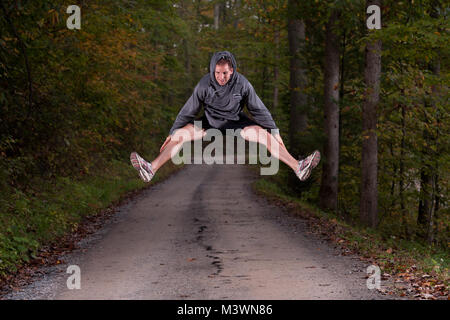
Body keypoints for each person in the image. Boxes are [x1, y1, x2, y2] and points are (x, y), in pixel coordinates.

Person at [130, 51, 320, 183]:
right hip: (210, 122)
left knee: (264, 136)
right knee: (180, 135)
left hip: (236, 122)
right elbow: (187, 111)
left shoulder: (243, 84)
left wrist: (275, 132)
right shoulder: (204, 85)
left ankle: (298, 167)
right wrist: (172, 133)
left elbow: (259, 110)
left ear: (233, 70)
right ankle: (150, 169)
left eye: (226, 73)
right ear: (213, 71)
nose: (222, 77)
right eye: (218, 73)